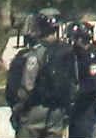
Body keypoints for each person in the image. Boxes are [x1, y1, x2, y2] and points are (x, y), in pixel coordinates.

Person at [9, 10, 83, 138]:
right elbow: (75, 83)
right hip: (58, 111)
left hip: (35, 109)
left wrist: (18, 107)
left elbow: (28, 84)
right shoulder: (68, 51)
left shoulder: (37, 51)